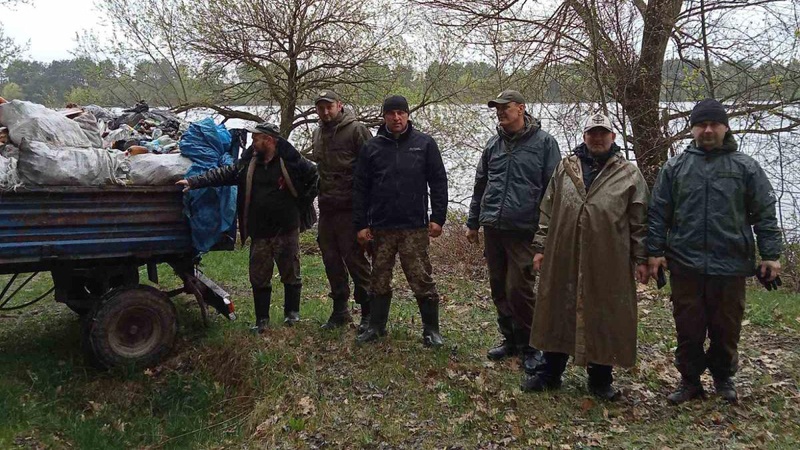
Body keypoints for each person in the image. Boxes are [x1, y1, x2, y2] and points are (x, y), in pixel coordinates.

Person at [648, 99, 783, 404]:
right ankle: (690, 381)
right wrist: (654, 252)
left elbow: (764, 213)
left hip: (731, 264)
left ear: (725, 127)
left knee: (726, 329)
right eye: (701, 125)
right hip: (686, 263)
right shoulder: (675, 167)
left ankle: (723, 378)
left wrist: (771, 255)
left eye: (714, 124)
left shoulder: (745, 167)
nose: (708, 130)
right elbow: (658, 213)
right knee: (688, 328)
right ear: (692, 128)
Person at [520, 112, 649, 400]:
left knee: (604, 312)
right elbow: (547, 210)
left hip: (609, 258)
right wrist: (540, 247)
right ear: (584, 137)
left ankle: (601, 379)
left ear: (613, 137)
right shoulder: (566, 169)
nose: (598, 138)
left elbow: (640, 220)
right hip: (563, 253)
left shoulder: (629, 173)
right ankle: (550, 372)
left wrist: (642, 258)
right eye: (593, 133)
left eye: (603, 133)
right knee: (557, 307)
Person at [177, 123, 319, 333]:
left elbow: (315, 177)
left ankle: (292, 315)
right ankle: (262, 320)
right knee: (259, 276)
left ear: (269, 140)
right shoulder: (249, 162)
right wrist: (193, 182)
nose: (253, 143)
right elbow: (225, 174)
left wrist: (304, 202)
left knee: (291, 272)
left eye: (257, 139)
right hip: (260, 231)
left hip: (287, 229)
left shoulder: (291, 162)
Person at [465, 90, 561, 372]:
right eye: (497, 108)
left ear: (521, 108)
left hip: (524, 230)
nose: (500, 112)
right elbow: (480, 185)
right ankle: (510, 339)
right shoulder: (493, 145)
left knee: (519, 288)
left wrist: (546, 234)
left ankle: (531, 346)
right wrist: (473, 222)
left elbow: (553, 191)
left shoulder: (544, 144)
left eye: (506, 107)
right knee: (498, 287)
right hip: (494, 227)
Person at [353, 95, 448, 347]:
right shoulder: (371, 147)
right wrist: (361, 224)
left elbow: (438, 181)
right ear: (383, 116)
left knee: (421, 277)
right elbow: (360, 188)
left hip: (414, 226)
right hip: (381, 227)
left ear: (407, 115)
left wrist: (438, 217)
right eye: (391, 113)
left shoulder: (425, 144)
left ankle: (431, 330)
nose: (397, 118)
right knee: (379, 278)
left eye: (401, 113)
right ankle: (376, 327)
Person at [310, 90, 374, 332]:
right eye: (321, 108)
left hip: (351, 210)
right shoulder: (317, 133)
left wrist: (368, 215)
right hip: (327, 208)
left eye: (330, 107)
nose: (326, 112)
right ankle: (340, 311)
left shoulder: (356, 130)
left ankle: (368, 313)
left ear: (340, 105)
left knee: (356, 261)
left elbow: (372, 170)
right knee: (331, 260)